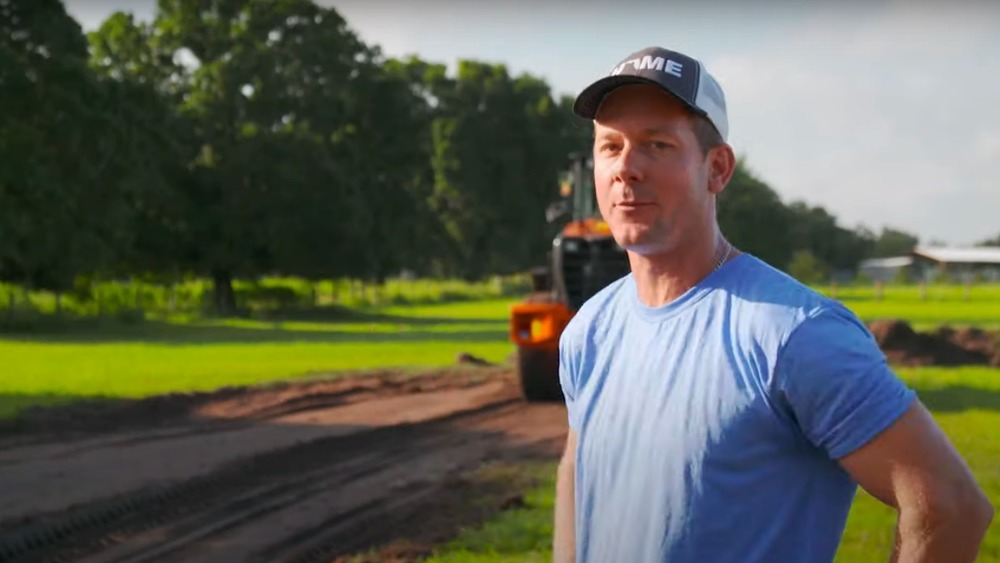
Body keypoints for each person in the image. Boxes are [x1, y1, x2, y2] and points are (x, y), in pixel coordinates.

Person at [552, 45, 993, 563]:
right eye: (611, 146)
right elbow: (577, 473)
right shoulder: (590, 329)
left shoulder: (794, 333)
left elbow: (950, 508)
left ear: (717, 169)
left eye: (657, 145)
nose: (626, 168)